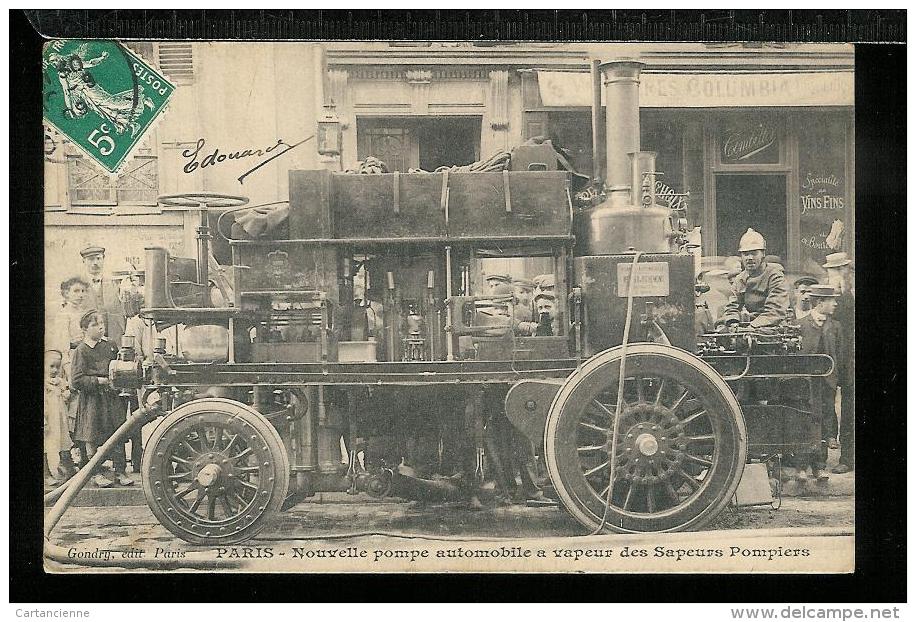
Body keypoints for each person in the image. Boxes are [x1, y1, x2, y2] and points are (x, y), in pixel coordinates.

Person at [71, 310, 134, 488]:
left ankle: (120, 471)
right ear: (84, 328)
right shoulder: (81, 351)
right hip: (92, 401)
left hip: (111, 398)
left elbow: (118, 366)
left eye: (102, 324)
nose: (100, 327)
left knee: (117, 433)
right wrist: (98, 380)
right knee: (92, 435)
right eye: (95, 324)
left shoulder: (110, 346)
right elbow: (76, 380)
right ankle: (95, 473)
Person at [797, 284, 844, 483]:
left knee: (825, 420)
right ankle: (801, 466)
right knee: (805, 420)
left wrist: (836, 379)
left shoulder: (835, 327)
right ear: (819, 302)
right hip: (806, 382)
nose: (834, 304)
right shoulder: (800, 324)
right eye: (831, 300)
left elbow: (840, 356)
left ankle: (819, 467)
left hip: (827, 382)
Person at [716, 229, 789, 330]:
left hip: (771, 328)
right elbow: (732, 306)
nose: (749, 258)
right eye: (745, 254)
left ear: (763, 254)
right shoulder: (740, 279)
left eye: (754, 253)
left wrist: (752, 327)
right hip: (748, 329)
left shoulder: (775, 277)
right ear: (741, 256)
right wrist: (733, 323)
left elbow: (775, 311)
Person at [823, 253, 855, 473]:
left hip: (852, 357)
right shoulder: (826, 293)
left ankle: (848, 458)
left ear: (847, 269)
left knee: (850, 408)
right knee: (826, 404)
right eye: (832, 270)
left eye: (839, 269)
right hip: (833, 356)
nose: (835, 274)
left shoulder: (851, 294)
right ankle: (822, 454)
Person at [80, 245, 126, 348]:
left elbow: (120, 314)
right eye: (91, 259)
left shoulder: (114, 284)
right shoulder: (79, 287)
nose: (95, 263)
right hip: (88, 344)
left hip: (113, 341)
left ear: (103, 259)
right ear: (84, 261)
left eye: (98, 258)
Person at [44, 350, 77, 486]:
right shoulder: (45, 385)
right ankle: (45, 473)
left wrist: (66, 393)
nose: (55, 370)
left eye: (58, 367)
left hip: (60, 419)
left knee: (64, 441)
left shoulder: (60, 382)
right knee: (46, 444)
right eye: (51, 366)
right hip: (49, 420)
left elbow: (66, 396)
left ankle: (67, 467)